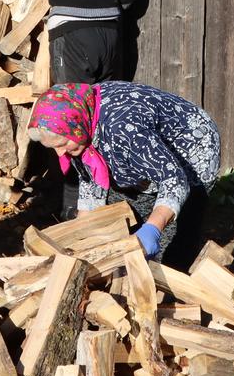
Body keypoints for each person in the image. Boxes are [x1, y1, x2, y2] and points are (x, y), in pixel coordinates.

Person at [11, 0, 138, 218]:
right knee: (105, 116)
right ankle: (112, 206)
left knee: (71, 120)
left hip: (71, 34)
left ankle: (74, 210)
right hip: (111, 35)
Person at [28, 82, 219, 268]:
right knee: (125, 220)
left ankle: (173, 284)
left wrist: (153, 228)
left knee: (172, 238)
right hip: (140, 149)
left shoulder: (123, 129)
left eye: (62, 144)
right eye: (54, 147)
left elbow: (174, 179)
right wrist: (83, 236)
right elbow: (91, 180)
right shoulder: (80, 119)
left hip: (191, 147)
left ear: (76, 126)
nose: (60, 154)